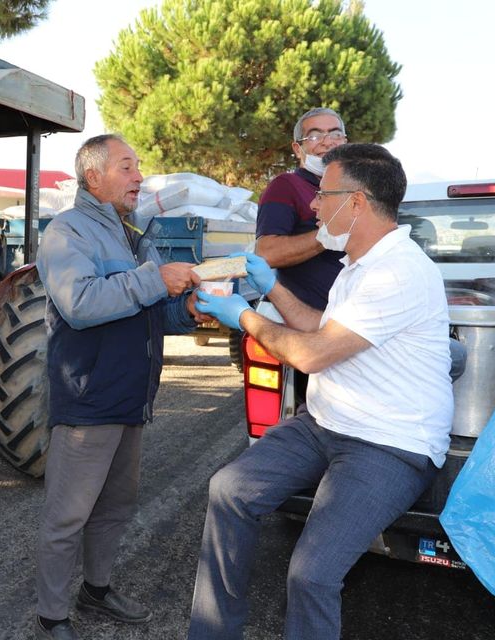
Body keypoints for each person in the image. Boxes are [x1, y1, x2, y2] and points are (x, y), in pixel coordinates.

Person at [188, 143, 454, 640]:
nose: (311, 205)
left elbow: (311, 355)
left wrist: (242, 317)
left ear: (355, 202)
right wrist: (272, 287)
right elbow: (319, 328)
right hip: (326, 423)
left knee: (311, 574)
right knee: (229, 490)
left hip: (389, 443)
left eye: (322, 195)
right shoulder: (357, 263)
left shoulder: (397, 270)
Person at [33, 134, 203, 640]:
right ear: (94, 177)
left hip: (131, 398)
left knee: (115, 507)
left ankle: (97, 590)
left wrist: (186, 310)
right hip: (88, 400)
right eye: (126, 167)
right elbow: (81, 304)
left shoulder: (133, 235)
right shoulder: (68, 231)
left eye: (138, 166)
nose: (139, 177)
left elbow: (150, 312)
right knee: (68, 515)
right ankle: (51, 616)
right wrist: (155, 280)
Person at [255, 107, 348, 311]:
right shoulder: (286, 185)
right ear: (298, 149)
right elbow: (266, 253)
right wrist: (327, 235)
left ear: (344, 142)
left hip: (349, 317)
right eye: (314, 136)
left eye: (335, 134)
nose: (327, 142)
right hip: (301, 318)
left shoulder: (353, 188)